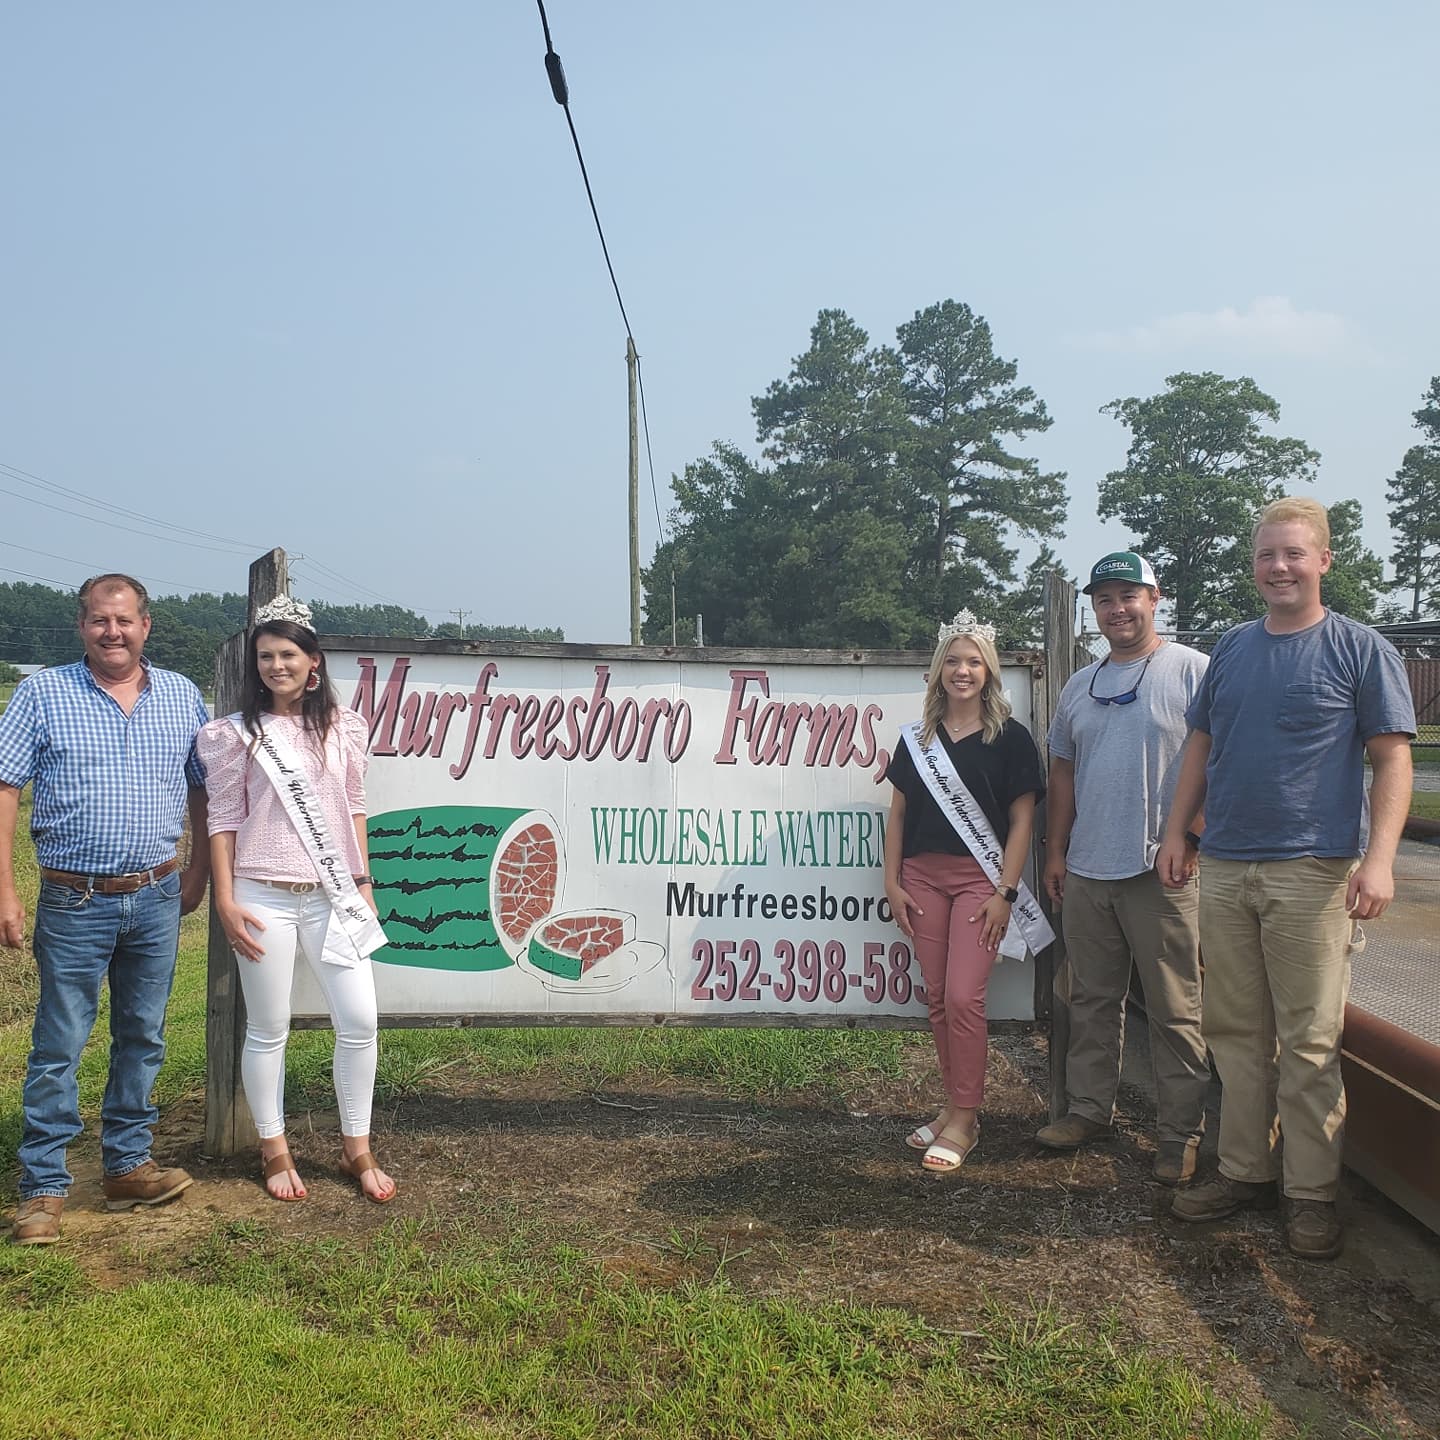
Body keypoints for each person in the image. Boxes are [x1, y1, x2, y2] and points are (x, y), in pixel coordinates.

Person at [1158, 497, 1414, 1261]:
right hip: (1229, 865)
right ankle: (1244, 1171)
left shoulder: (1361, 650)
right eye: (1268, 554)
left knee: (1309, 1041)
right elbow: (1201, 744)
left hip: (1313, 868)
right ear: (1254, 563)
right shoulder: (1232, 649)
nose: (1279, 567)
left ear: (1324, 560)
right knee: (1236, 1035)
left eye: (1295, 554)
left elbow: (1392, 757)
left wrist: (1380, 860)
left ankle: (1310, 1193)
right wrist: (1178, 830)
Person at [0, 574, 210, 1246]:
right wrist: (4, 887)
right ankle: (42, 1187)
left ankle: (126, 1165)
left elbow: (204, 789)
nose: (111, 632)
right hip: (74, 897)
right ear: (81, 627)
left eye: (123, 621)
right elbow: (5, 786)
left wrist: (199, 865)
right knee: (59, 1044)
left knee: (143, 1035)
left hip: (155, 894)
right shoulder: (41, 694)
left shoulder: (181, 695)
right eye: (98, 621)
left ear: (146, 625)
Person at [197, 596, 396, 1204]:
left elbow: (354, 809)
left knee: (360, 1020)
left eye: (287, 655)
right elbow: (224, 820)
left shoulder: (348, 727)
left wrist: (363, 885)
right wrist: (225, 902)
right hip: (263, 896)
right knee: (269, 1026)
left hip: (336, 897)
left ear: (314, 662)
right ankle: (274, 1148)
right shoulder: (235, 736)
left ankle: (356, 1145)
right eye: (264, 657)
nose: (275, 666)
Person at [1036, 552, 1211, 1185]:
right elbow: (1062, 768)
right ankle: (1089, 1109)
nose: (1117, 608)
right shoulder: (1079, 685)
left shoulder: (1193, 671)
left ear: (1155, 597)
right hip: (1088, 868)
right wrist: (1056, 851)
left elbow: (1221, 757)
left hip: (1162, 872)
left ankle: (1178, 1133)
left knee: (1174, 1006)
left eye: (1128, 595)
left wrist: (1191, 836)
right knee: (1091, 999)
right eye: (1105, 599)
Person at [884, 610, 1048, 1174]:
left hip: (982, 881)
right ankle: (956, 1110)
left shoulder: (1011, 738)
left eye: (974, 661)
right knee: (935, 999)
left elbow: (1022, 823)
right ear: (938, 671)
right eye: (953, 660)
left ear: (990, 671)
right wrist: (892, 881)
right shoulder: (919, 740)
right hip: (922, 878)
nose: (962, 670)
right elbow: (899, 812)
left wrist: (1005, 890)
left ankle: (966, 1118)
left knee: (962, 997)